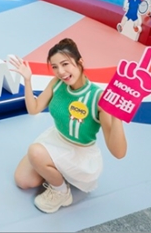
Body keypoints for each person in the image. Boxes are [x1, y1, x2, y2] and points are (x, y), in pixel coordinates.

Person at [8, 39, 127, 213]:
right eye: (55, 67)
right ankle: (56, 170)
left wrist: (117, 117)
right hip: (56, 140)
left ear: (80, 62)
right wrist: (27, 80)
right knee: (23, 180)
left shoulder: (98, 97)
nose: (61, 72)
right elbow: (34, 109)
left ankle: (61, 192)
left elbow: (118, 152)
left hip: (79, 153)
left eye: (65, 64)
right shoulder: (56, 84)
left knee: (35, 152)